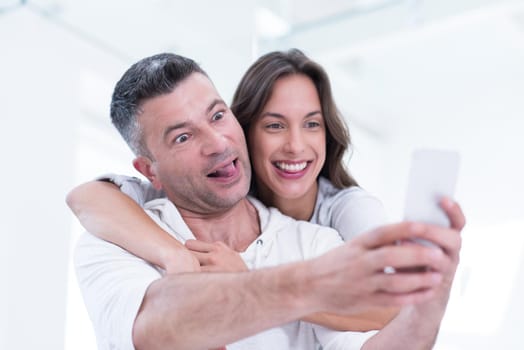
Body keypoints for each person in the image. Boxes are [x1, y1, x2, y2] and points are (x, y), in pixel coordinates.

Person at [71, 52, 464, 350]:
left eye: (218, 116)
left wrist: (429, 302)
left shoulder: (317, 241)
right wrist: (307, 286)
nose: (217, 143)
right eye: (183, 137)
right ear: (149, 170)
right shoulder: (112, 241)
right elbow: (154, 327)